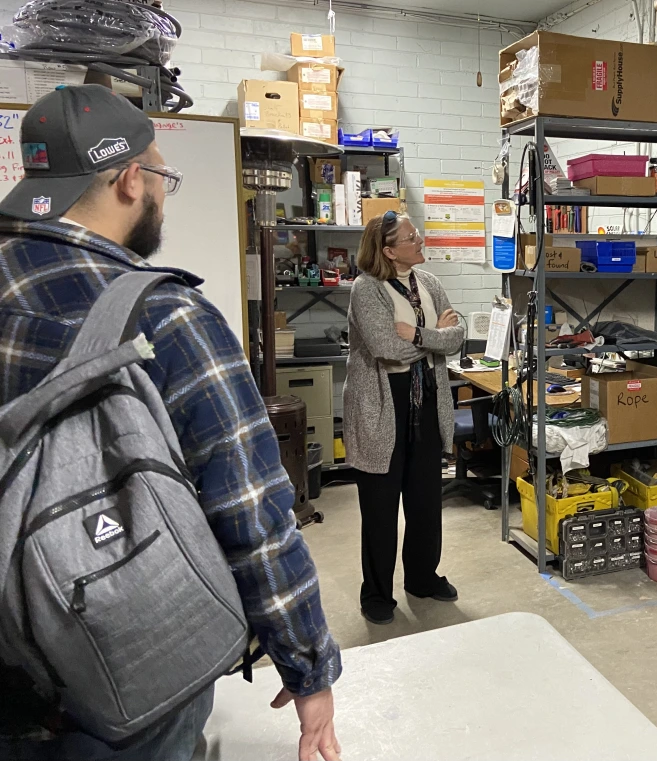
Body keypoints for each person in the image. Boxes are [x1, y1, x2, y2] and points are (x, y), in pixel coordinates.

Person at [0, 86, 342, 761]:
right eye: (162, 177)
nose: (163, 195)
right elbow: (252, 511)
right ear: (130, 180)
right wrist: (309, 666)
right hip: (125, 673)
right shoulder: (166, 315)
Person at [345, 210, 465, 627]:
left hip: (427, 402)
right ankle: (377, 594)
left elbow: (457, 334)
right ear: (389, 250)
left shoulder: (429, 283)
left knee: (426, 502)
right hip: (382, 407)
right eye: (412, 238)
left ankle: (422, 577)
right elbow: (384, 348)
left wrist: (414, 335)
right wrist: (433, 341)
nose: (421, 242)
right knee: (380, 509)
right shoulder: (367, 289)